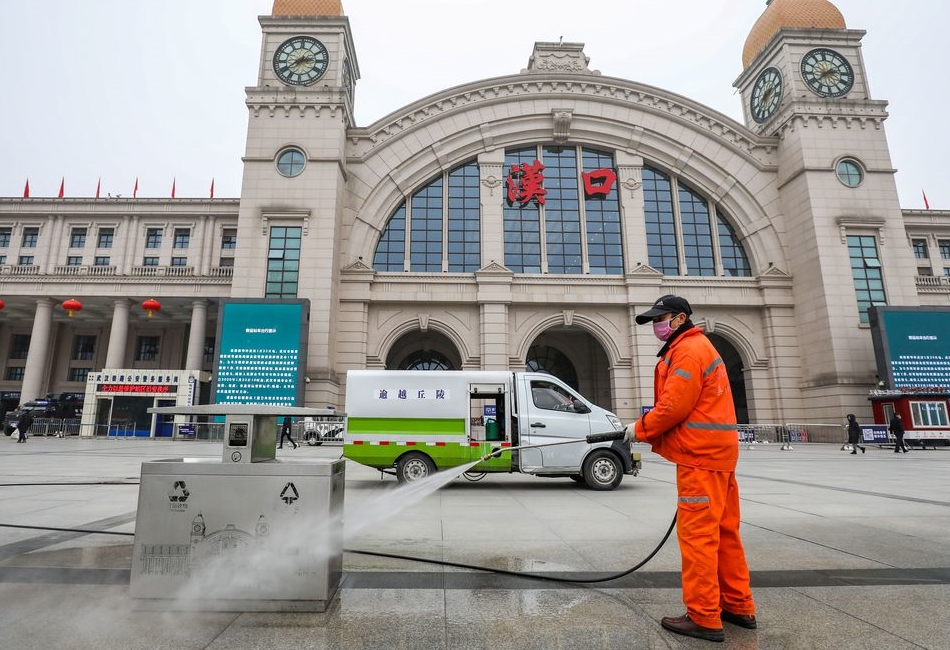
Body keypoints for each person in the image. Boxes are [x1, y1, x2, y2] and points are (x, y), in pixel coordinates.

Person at [625, 294, 755, 642]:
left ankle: (703, 616)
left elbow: (673, 406)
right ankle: (737, 605)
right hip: (719, 455)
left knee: (699, 537)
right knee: (725, 533)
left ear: (681, 318)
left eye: (660, 318)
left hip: (700, 457)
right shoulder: (699, 347)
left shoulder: (687, 351)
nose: (656, 325)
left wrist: (638, 429)